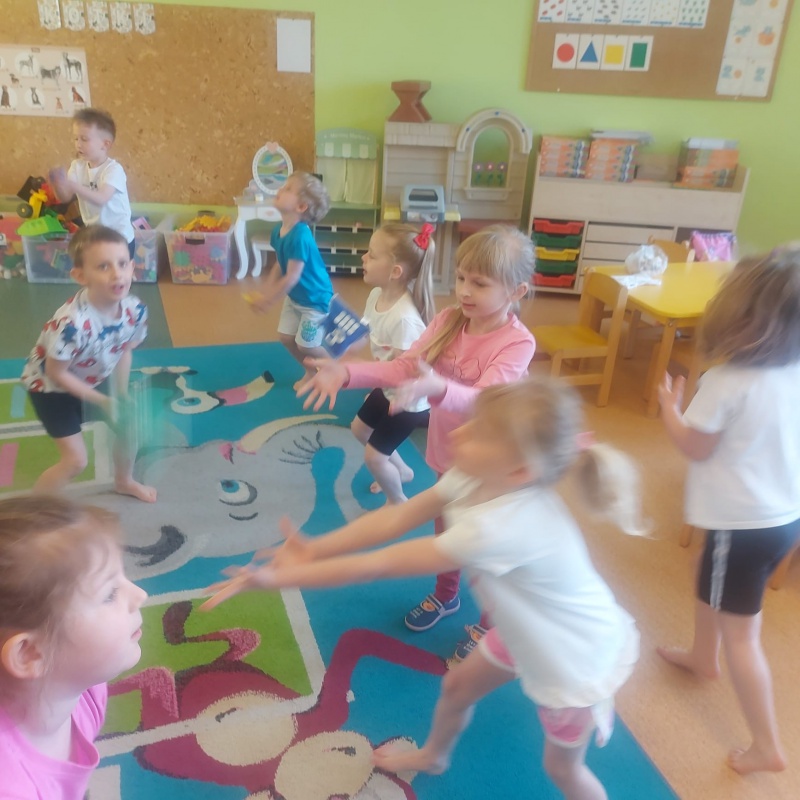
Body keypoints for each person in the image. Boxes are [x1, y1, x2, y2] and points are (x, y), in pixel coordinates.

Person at [202, 377, 644, 800]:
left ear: (518, 470)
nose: (461, 430)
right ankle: (434, 756)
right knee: (457, 689)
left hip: (572, 657)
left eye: (480, 433)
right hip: (524, 628)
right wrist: (313, 548)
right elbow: (397, 518)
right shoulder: (473, 474)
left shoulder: (498, 529)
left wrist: (278, 579)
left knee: (563, 769)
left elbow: (377, 566)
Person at [298, 224, 536, 662]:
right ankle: (446, 594)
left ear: (516, 290)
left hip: (494, 468)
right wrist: (347, 373)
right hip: (450, 453)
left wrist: (437, 387)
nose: (464, 290)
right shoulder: (448, 321)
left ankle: (491, 623)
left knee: (487, 548)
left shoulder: (518, 343)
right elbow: (404, 368)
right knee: (446, 529)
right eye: (461, 277)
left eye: (480, 283)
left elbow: (485, 399)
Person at [657, 246, 800, 775]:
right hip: (782, 518)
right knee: (705, 570)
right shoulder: (793, 370)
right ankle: (702, 655)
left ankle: (766, 745)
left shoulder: (725, 381)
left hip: (741, 527)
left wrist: (670, 410)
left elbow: (694, 448)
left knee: (744, 637)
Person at [0, 494, 147, 799]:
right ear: (31, 653)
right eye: (110, 593)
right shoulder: (12, 788)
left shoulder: (85, 686)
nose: (140, 595)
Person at [20, 225, 156, 502]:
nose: (117, 274)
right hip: (50, 388)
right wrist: (103, 401)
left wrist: (121, 394)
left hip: (93, 376)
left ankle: (124, 481)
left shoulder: (135, 310)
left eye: (122, 264)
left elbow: (124, 350)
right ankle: (37, 508)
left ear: (132, 267)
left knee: (130, 428)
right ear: (81, 276)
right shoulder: (71, 324)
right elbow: (56, 373)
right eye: (103, 266)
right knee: (75, 461)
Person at [353, 221, 436, 504]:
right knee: (359, 429)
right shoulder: (376, 295)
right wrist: (344, 347)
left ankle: (397, 501)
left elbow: (405, 374)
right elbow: (365, 331)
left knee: (374, 458)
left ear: (395, 271)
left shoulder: (405, 320)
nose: (363, 257)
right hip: (387, 385)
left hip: (407, 400)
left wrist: (358, 373)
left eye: (372, 255)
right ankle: (402, 471)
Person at [247, 171, 334, 389]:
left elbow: (292, 276)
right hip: (296, 298)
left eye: (287, 189)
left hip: (315, 301)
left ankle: (334, 369)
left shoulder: (300, 236)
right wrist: (266, 291)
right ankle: (311, 371)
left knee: (307, 345)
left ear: (301, 206)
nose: (280, 190)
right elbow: (280, 264)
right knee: (286, 338)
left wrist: (269, 300)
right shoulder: (278, 231)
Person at [49, 108, 136, 260]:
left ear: (105, 144)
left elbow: (101, 198)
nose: (78, 144)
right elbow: (65, 197)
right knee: (98, 272)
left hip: (119, 239)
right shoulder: (77, 166)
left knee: (117, 274)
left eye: (84, 139)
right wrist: (58, 184)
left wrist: (72, 185)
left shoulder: (113, 170)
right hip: (95, 237)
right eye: (76, 139)